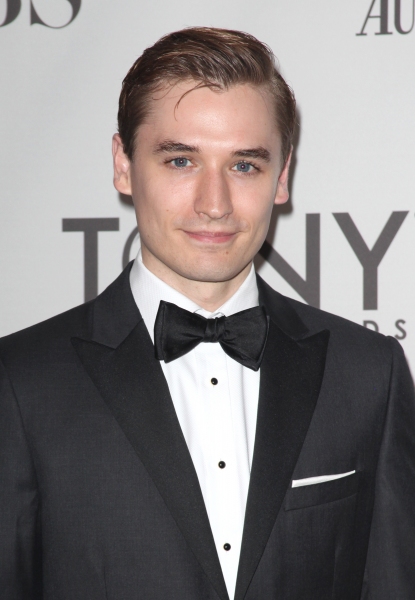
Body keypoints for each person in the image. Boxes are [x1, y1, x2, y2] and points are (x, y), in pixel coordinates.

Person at [1, 26, 414, 600]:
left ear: (282, 176)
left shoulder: (370, 373)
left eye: (244, 165)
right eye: (180, 161)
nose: (214, 204)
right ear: (123, 165)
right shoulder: (20, 383)